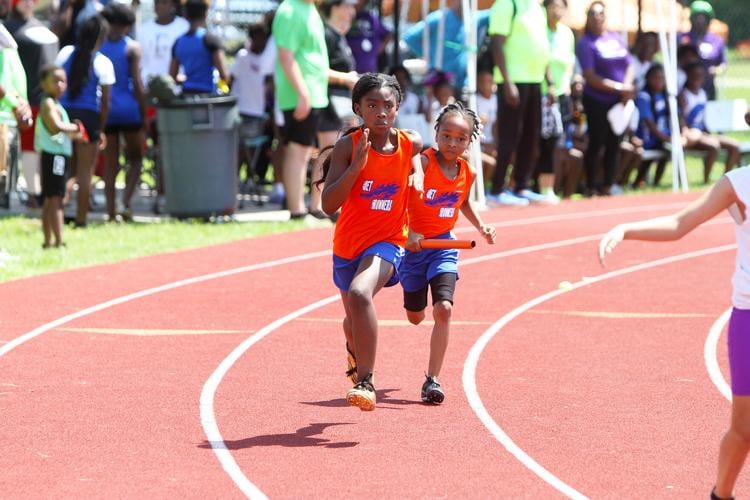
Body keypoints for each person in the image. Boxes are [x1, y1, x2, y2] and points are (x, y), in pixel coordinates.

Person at [598, 111, 750, 500]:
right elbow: (681, 224)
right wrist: (625, 229)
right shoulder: (739, 183)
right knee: (745, 429)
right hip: (747, 316)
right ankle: (722, 495)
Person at [316, 73, 424, 411]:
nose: (381, 112)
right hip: (348, 245)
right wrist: (355, 168)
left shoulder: (411, 143)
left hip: (389, 240)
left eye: (388, 105)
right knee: (352, 322)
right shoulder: (349, 146)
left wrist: (418, 173)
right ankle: (355, 353)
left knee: (363, 294)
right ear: (358, 109)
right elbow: (328, 204)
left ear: (397, 108)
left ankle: (365, 381)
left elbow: (432, 162)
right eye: (372, 105)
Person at [400, 101, 496, 404]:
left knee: (444, 309)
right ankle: (413, 300)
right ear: (436, 133)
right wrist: (408, 232)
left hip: (444, 246)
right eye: (447, 136)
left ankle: (432, 379)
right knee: (415, 316)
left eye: (460, 138)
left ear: (469, 141)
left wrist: (481, 226)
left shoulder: (467, 171)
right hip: (414, 248)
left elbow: (463, 201)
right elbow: (399, 199)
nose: (452, 143)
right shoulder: (424, 163)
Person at [486, 0, 550, 206]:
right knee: (509, 136)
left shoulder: (537, 8)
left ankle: (521, 185)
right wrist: (507, 81)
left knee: (531, 136)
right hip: (513, 80)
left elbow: (542, 46)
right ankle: (497, 189)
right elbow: (497, 43)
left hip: (535, 80)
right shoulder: (506, 4)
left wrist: (548, 82)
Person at [272, 0, 329, 219]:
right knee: (298, 151)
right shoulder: (289, 10)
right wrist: (302, 93)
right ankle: (296, 210)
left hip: (315, 94)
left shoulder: (310, 9)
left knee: (306, 152)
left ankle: (302, 208)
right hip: (300, 95)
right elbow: (286, 57)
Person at [56, 14, 114, 228]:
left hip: (65, 114)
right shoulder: (103, 63)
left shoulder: (65, 54)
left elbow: (56, 84)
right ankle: (81, 220)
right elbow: (105, 104)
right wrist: (100, 129)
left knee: (64, 169)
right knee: (84, 172)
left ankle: (58, 214)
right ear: (102, 38)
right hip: (89, 118)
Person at [576, 0, 634, 196]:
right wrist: (619, 88)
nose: (597, 17)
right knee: (597, 142)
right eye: (592, 14)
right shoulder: (586, 43)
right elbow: (590, 76)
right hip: (596, 101)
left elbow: (629, 64)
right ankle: (591, 185)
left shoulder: (616, 38)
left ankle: (608, 184)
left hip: (617, 103)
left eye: (600, 13)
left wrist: (626, 88)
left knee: (615, 142)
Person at [5, 0, 59, 209]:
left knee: (47, 147)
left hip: (47, 101)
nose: (28, 3)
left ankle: (46, 193)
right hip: (20, 101)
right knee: (28, 148)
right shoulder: (7, 32)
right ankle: (32, 193)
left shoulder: (42, 27)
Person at [310, 0, 359, 220]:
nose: (352, 11)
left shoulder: (338, 34)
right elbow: (317, 68)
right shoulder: (325, 33)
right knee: (327, 151)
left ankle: (327, 203)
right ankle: (317, 204)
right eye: (348, 5)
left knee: (336, 151)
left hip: (340, 101)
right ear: (335, 6)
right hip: (329, 99)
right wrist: (346, 78)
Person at [100, 2, 146, 222]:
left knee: (111, 163)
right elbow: (137, 82)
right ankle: (125, 202)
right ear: (127, 25)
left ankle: (111, 212)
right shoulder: (132, 48)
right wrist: (144, 111)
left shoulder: (100, 46)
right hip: (129, 110)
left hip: (107, 109)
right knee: (136, 158)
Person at [35, 64, 83, 248]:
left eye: (63, 81)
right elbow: (56, 126)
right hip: (53, 156)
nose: (60, 85)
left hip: (57, 155)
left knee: (51, 198)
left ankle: (49, 241)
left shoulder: (55, 103)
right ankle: (58, 240)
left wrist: (78, 135)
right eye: (55, 81)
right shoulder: (48, 103)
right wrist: (75, 127)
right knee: (56, 199)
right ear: (43, 83)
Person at [403, 0, 490, 93]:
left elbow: (494, 12)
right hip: (440, 84)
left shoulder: (474, 18)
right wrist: (429, 55)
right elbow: (409, 37)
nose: (465, 3)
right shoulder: (439, 18)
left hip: (463, 83)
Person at [535, 0, 575, 204]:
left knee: (557, 143)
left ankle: (550, 187)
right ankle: (539, 186)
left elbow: (569, 62)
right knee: (543, 143)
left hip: (561, 95)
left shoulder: (567, 34)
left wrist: (566, 85)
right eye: (554, 6)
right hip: (541, 94)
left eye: (561, 6)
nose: (558, 11)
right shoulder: (538, 29)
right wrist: (549, 86)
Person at [680, 62, 740, 184]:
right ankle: (706, 180)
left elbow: (704, 116)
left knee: (735, 146)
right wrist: (685, 131)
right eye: (694, 75)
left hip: (703, 132)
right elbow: (680, 117)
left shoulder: (702, 93)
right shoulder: (684, 95)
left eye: (700, 75)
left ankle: (726, 181)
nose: (697, 78)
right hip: (692, 133)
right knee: (714, 146)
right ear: (688, 76)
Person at [169, 0, 227, 96]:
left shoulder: (178, 42)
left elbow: (172, 76)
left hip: (187, 96)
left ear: (185, 15)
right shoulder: (211, 39)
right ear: (205, 14)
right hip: (208, 98)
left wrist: (188, 80)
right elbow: (224, 75)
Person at [632, 64, 670, 187]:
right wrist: (666, 138)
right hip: (647, 138)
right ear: (648, 79)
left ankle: (656, 183)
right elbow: (649, 123)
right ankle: (638, 180)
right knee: (665, 148)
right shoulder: (644, 96)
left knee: (667, 150)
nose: (659, 81)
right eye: (656, 78)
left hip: (663, 136)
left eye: (662, 78)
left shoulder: (667, 96)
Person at [679, 0, 725, 101]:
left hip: (708, 85)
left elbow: (723, 64)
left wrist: (715, 70)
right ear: (691, 19)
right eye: (697, 17)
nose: (700, 21)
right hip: (685, 87)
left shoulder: (717, 40)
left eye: (704, 17)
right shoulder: (683, 38)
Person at [137, 0, 188, 86]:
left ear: (173, 5)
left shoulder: (184, 26)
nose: (160, 6)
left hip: (176, 86)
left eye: (164, 2)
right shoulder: (143, 29)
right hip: (149, 84)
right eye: (157, 3)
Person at [346, 0, 391, 74]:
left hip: (370, 71)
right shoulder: (346, 17)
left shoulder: (371, 18)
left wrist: (378, 48)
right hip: (350, 72)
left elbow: (388, 34)